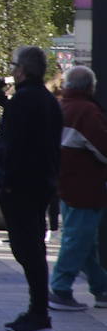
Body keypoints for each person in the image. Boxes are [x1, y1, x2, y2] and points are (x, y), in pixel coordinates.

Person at [0, 45, 64, 331]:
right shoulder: (47, 100)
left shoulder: (24, 101)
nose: (11, 70)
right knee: (32, 247)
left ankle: (39, 312)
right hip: (40, 185)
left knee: (27, 249)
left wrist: (4, 182)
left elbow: (12, 146)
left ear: (22, 70)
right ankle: (38, 309)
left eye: (14, 66)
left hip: (20, 186)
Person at [47, 65, 107, 311]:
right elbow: (103, 149)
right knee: (78, 238)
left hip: (66, 182)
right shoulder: (86, 111)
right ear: (90, 87)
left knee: (84, 240)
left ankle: (101, 287)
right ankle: (60, 288)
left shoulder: (60, 107)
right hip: (87, 186)